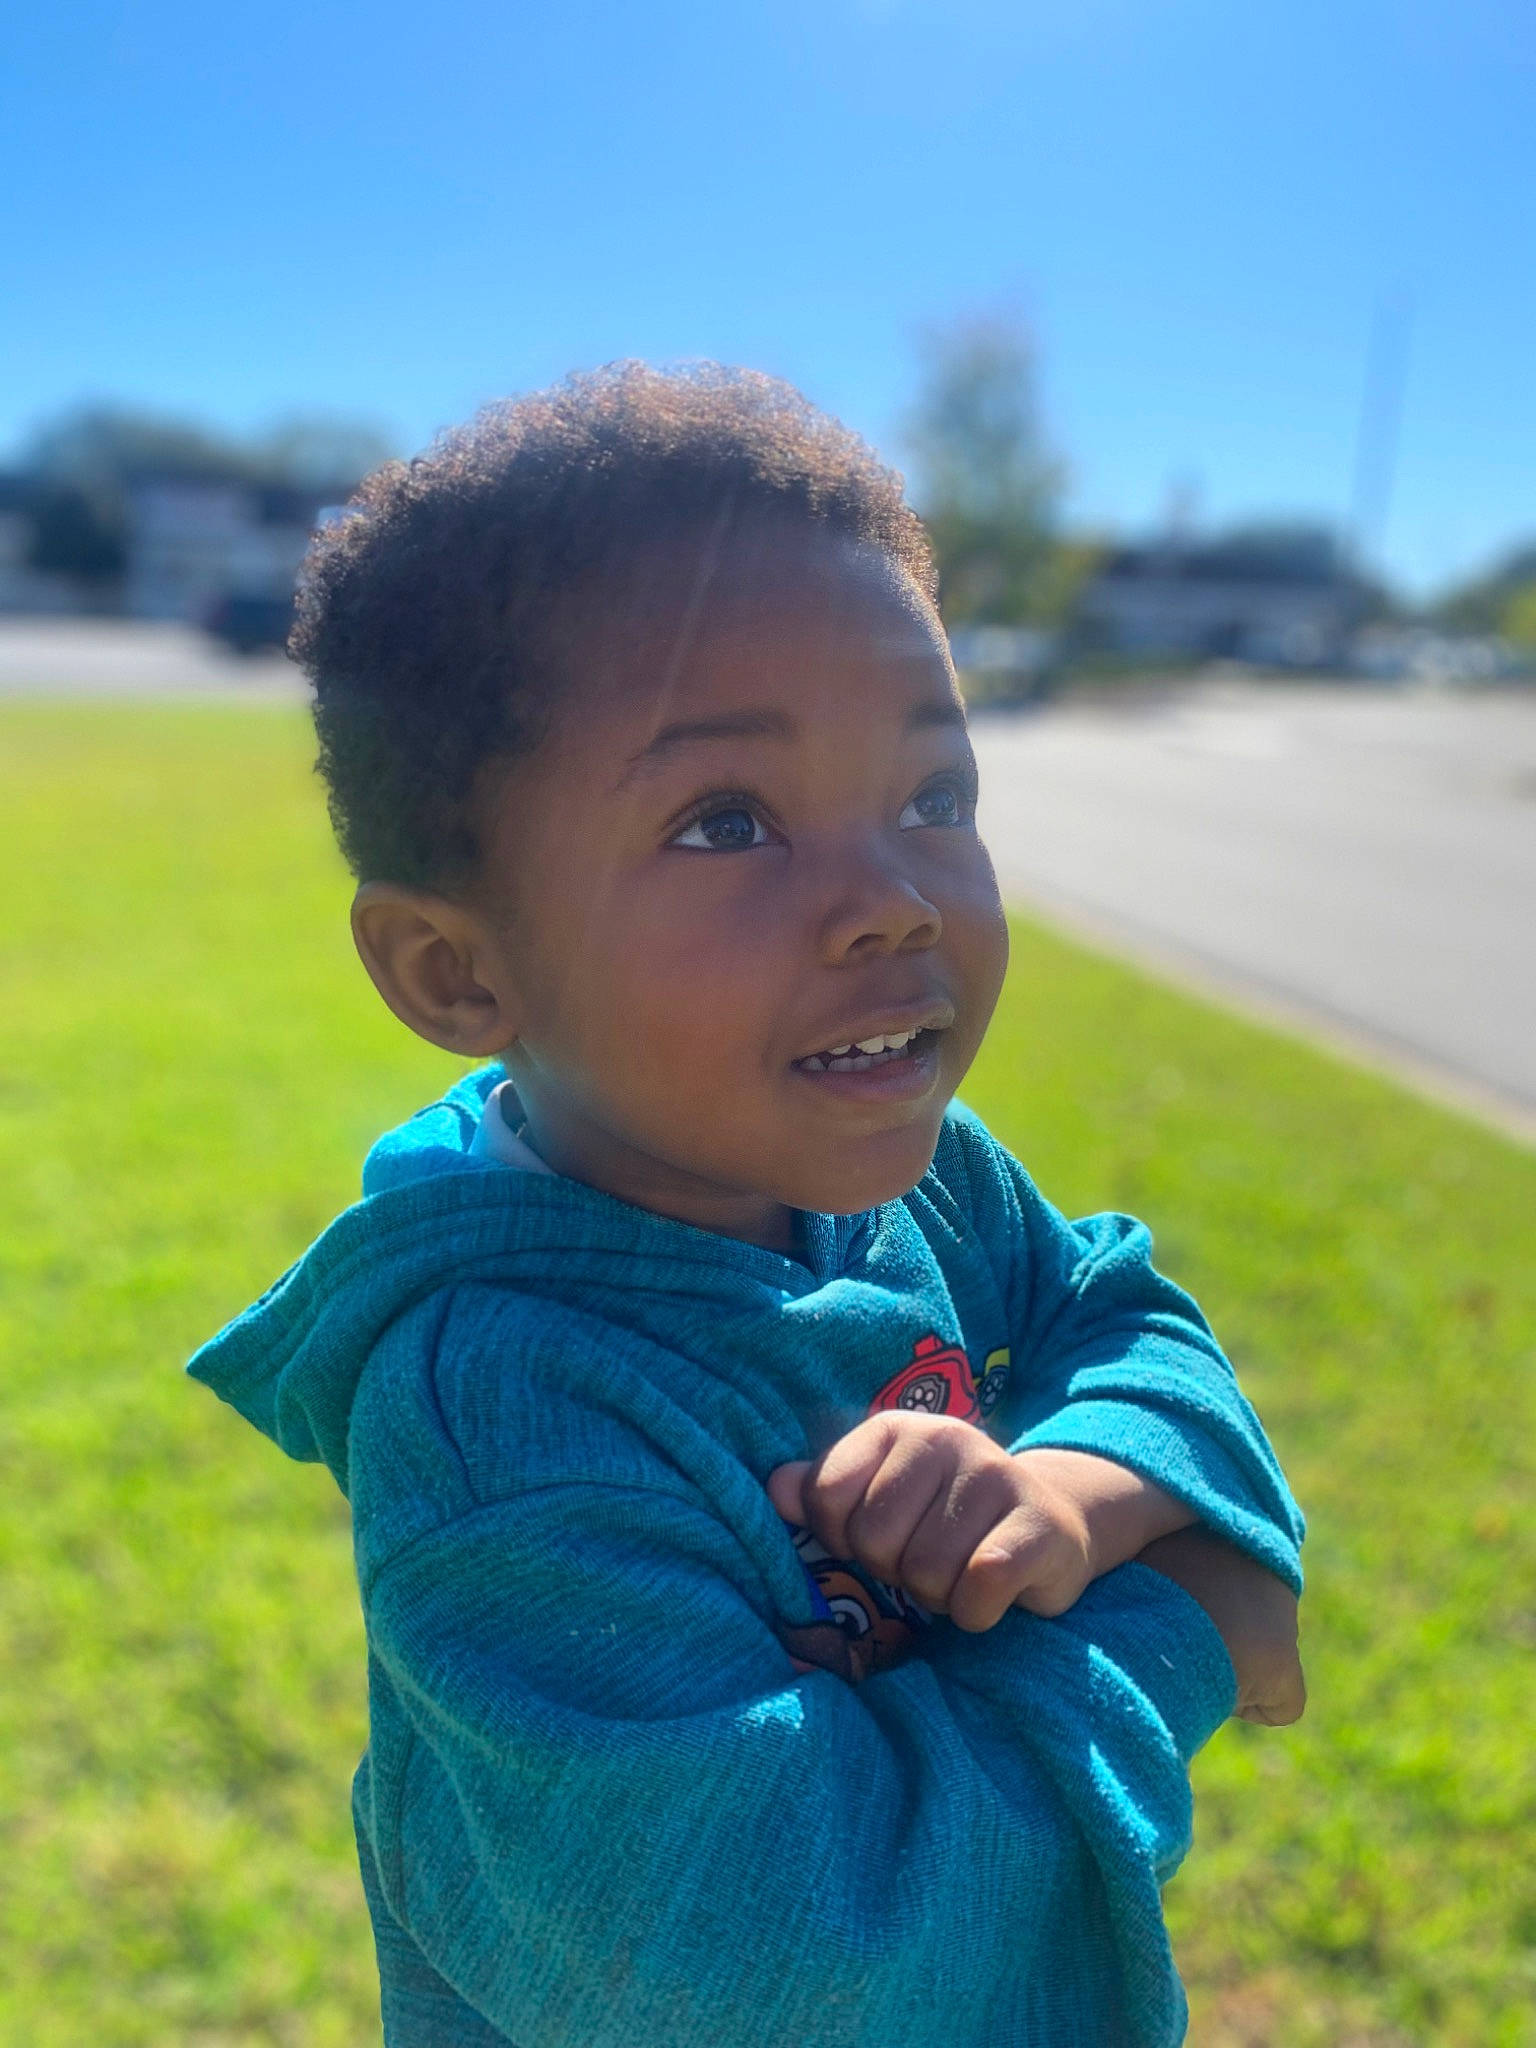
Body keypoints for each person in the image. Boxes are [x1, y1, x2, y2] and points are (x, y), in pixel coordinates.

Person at [189, 363, 1305, 2048]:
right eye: (729, 823)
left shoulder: (922, 1173)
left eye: (934, 797)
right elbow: (802, 1962)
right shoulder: (507, 1408)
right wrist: (1182, 1618)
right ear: (458, 967)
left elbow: (1115, 1307)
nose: (889, 901)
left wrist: (1079, 1495)